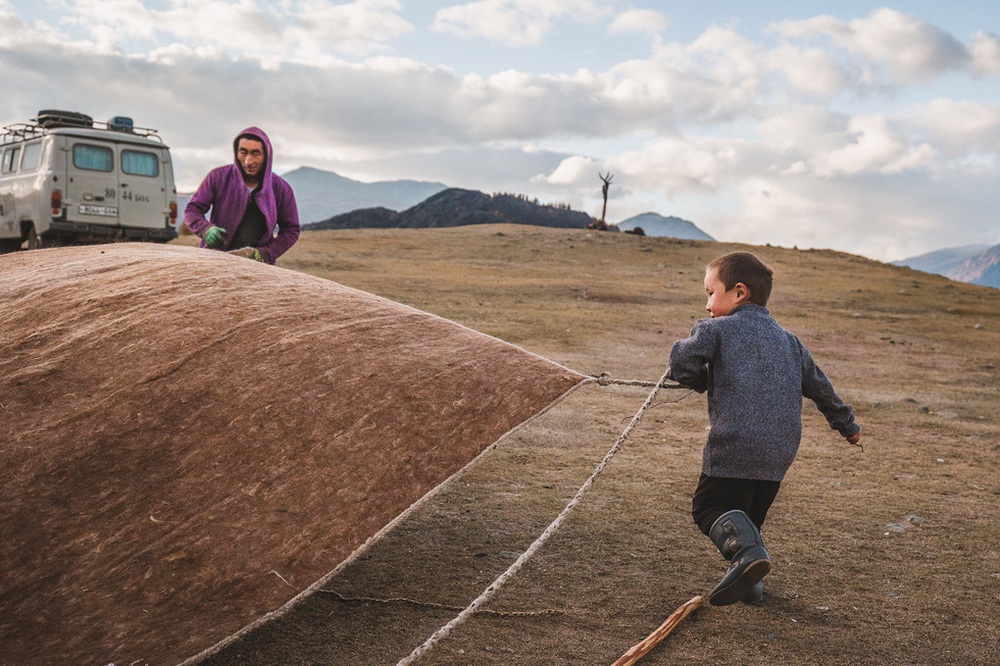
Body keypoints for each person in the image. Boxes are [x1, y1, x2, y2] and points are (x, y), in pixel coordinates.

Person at [667, 251, 862, 606]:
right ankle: (750, 584)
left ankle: (747, 560)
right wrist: (846, 424)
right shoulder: (790, 341)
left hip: (736, 442)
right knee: (749, 519)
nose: (708, 304)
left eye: (711, 293)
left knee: (707, 508)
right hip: (780, 449)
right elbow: (821, 386)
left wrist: (697, 378)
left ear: (739, 292)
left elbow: (681, 359)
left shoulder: (716, 330)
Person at [184, 126, 299, 264]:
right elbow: (192, 210)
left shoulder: (281, 189)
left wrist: (265, 254)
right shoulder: (218, 177)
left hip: (258, 267)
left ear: (266, 156)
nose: (248, 161)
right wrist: (206, 229)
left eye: (255, 154)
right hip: (214, 261)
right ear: (236, 153)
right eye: (243, 152)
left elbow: (291, 230)